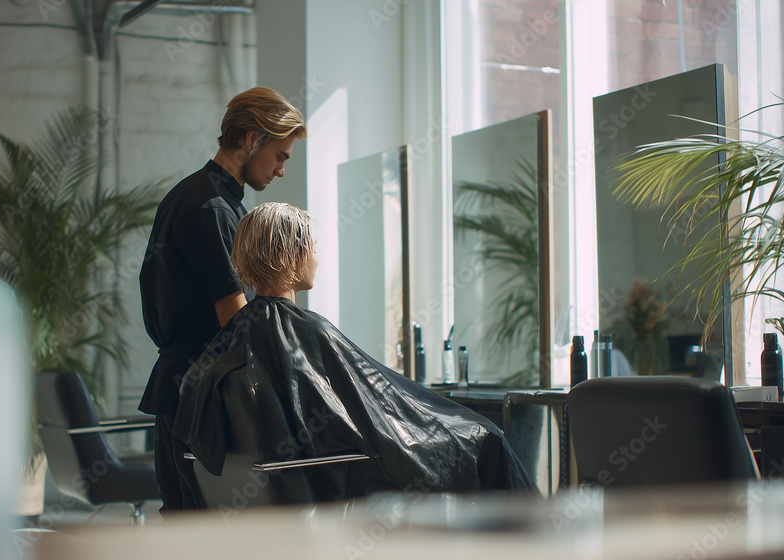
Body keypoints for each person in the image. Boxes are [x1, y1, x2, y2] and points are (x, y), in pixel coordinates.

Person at [174, 203, 537, 501]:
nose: (316, 258)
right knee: (488, 438)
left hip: (300, 480)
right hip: (341, 473)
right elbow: (372, 417)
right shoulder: (308, 330)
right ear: (293, 257)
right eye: (313, 249)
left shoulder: (235, 336)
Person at [138, 88, 307, 511]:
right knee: (198, 530)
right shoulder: (211, 207)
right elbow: (235, 321)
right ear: (252, 140)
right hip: (197, 400)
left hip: (188, 391)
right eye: (281, 156)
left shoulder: (198, 196)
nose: (281, 170)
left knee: (188, 525)